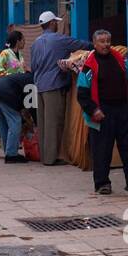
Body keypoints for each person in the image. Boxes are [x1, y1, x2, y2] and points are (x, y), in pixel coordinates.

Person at [76, 30, 128, 194]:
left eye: (108, 41)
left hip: (124, 110)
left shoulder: (120, 60)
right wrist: (94, 110)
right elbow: (82, 94)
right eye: (102, 41)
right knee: (102, 150)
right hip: (102, 112)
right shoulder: (89, 66)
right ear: (94, 43)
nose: (106, 44)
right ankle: (102, 184)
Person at [29, 11, 86, 166]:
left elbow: (33, 66)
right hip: (54, 85)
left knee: (43, 122)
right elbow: (83, 45)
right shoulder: (60, 40)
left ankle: (45, 155)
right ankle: (51, 158)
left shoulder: (35, 43)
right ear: (53, 23)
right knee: (54, 122)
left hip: (39, 85)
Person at [0, 68, 34, 164]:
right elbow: (30, 105)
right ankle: (11, 154)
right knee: (15, 121)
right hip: (3, 93)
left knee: (3, 122)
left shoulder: (22, 77)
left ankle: (8, 151)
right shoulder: (32, 81)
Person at [0, 30, 27, 157]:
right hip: (3, 91)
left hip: (15, 93)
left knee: (10, 121)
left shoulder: (20, 54)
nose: (25, 42)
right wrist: (13, 76)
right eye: (23, 39)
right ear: (18, 41)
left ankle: (9, 148)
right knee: (0, 122)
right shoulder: (4, 54)